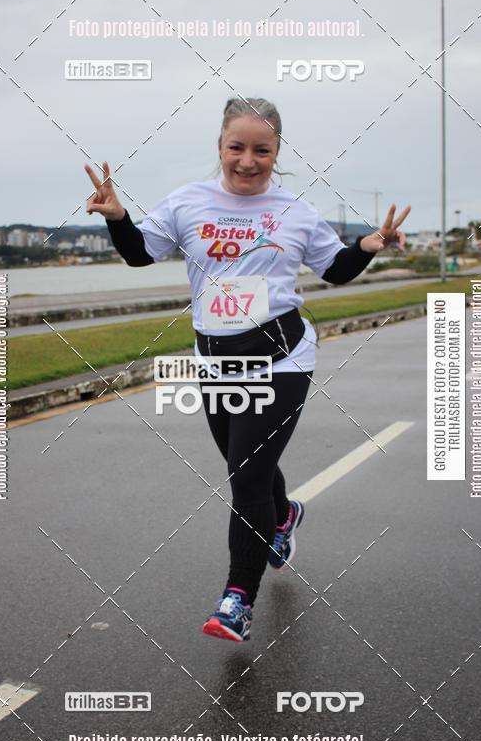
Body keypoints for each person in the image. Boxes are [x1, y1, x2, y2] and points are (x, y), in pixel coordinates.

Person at [84, 97, 410, 643]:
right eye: (237, 147)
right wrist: (118, 218)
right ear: (220, 147)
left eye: (262, 149)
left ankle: (238, 599)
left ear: (277, 152)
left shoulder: (296, 212)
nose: (248, 159)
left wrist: (369, 245)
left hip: (283, 358)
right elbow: (141, 254)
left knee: (246, 476)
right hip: (215, 361)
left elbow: (335, 270)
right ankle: (283, 517)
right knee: (248, 470)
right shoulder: (189, 202)